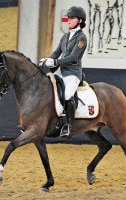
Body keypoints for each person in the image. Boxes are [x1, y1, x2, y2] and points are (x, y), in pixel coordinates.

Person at [39, 6, 87, 137]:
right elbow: (56, 53)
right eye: (69, 18)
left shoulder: (82, 38)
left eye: (72, 18)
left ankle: (68, 125)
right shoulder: (65, 36)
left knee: (66, 95)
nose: (69, 20)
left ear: (80, 21)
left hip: (73, 73)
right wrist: (47, 60)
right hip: (62, 71)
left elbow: (73, 57)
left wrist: (54, 62)